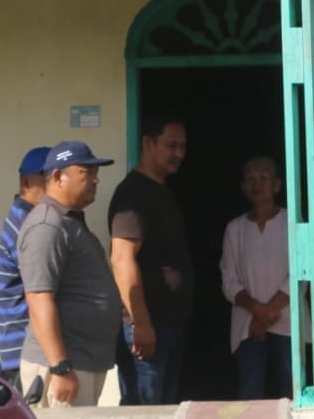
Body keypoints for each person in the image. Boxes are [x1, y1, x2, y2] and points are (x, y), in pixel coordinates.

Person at [17, 140, 119, 408]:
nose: (96, 180)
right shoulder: (46, 226)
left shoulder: (68, 222)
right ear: (57, 176)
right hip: (64, 367)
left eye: (96, 173)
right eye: (87, 173)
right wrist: (60, 367)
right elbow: (38, 299)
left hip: (83, 362)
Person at [107, 114, 193, 405]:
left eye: (182, 146)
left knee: (165, 410)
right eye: (171, 145)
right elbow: (121, 260)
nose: (178, 154)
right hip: (147, 330)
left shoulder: (161, 191)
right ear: (148, 143)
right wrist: (140, 323)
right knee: (144, 412)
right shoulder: (134, 194)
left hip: (168, 325)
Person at [220, 155, 293, 400]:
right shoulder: (235, 228)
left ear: (277, 185)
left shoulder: (292, 222)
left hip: (288, 323)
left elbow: (301, 274)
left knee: (292, 393)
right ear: (243, 187)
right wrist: (258, 312)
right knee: (250, 395)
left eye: (263, 178)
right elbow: (229, 280)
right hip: (248, 326)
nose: (256, 184)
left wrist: (269, 312)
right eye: (250, 179)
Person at [0, 145, 51, 384]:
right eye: (47, 180)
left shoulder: (32, 218)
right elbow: (42, 285)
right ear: (26, 184)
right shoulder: (26, 223)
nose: (55, 187)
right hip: (23, 352)